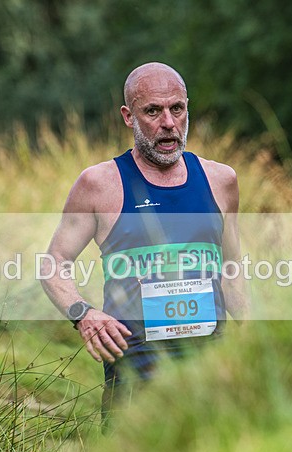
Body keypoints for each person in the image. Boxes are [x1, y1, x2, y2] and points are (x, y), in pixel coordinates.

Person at [41, 62, 247, 417]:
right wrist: (83, 313)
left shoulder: (221, 180)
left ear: (187, 109)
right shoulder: (99, 184)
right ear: (128, 116)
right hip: (137, 370)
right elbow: (53, 264)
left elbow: (232, 268)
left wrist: (251, 339)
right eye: (152, 111)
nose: (168, 123)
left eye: (177, 109)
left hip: (211, 363)